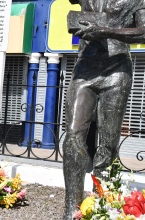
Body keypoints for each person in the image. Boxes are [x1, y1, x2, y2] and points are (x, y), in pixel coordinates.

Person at [63, 0, 145, 219]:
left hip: (117, 68)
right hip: (85, 69)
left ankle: (101, 205)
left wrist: (105, 31)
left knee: (108, 142)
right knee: (72, 135)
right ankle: (71, 208)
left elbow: (143, 31)